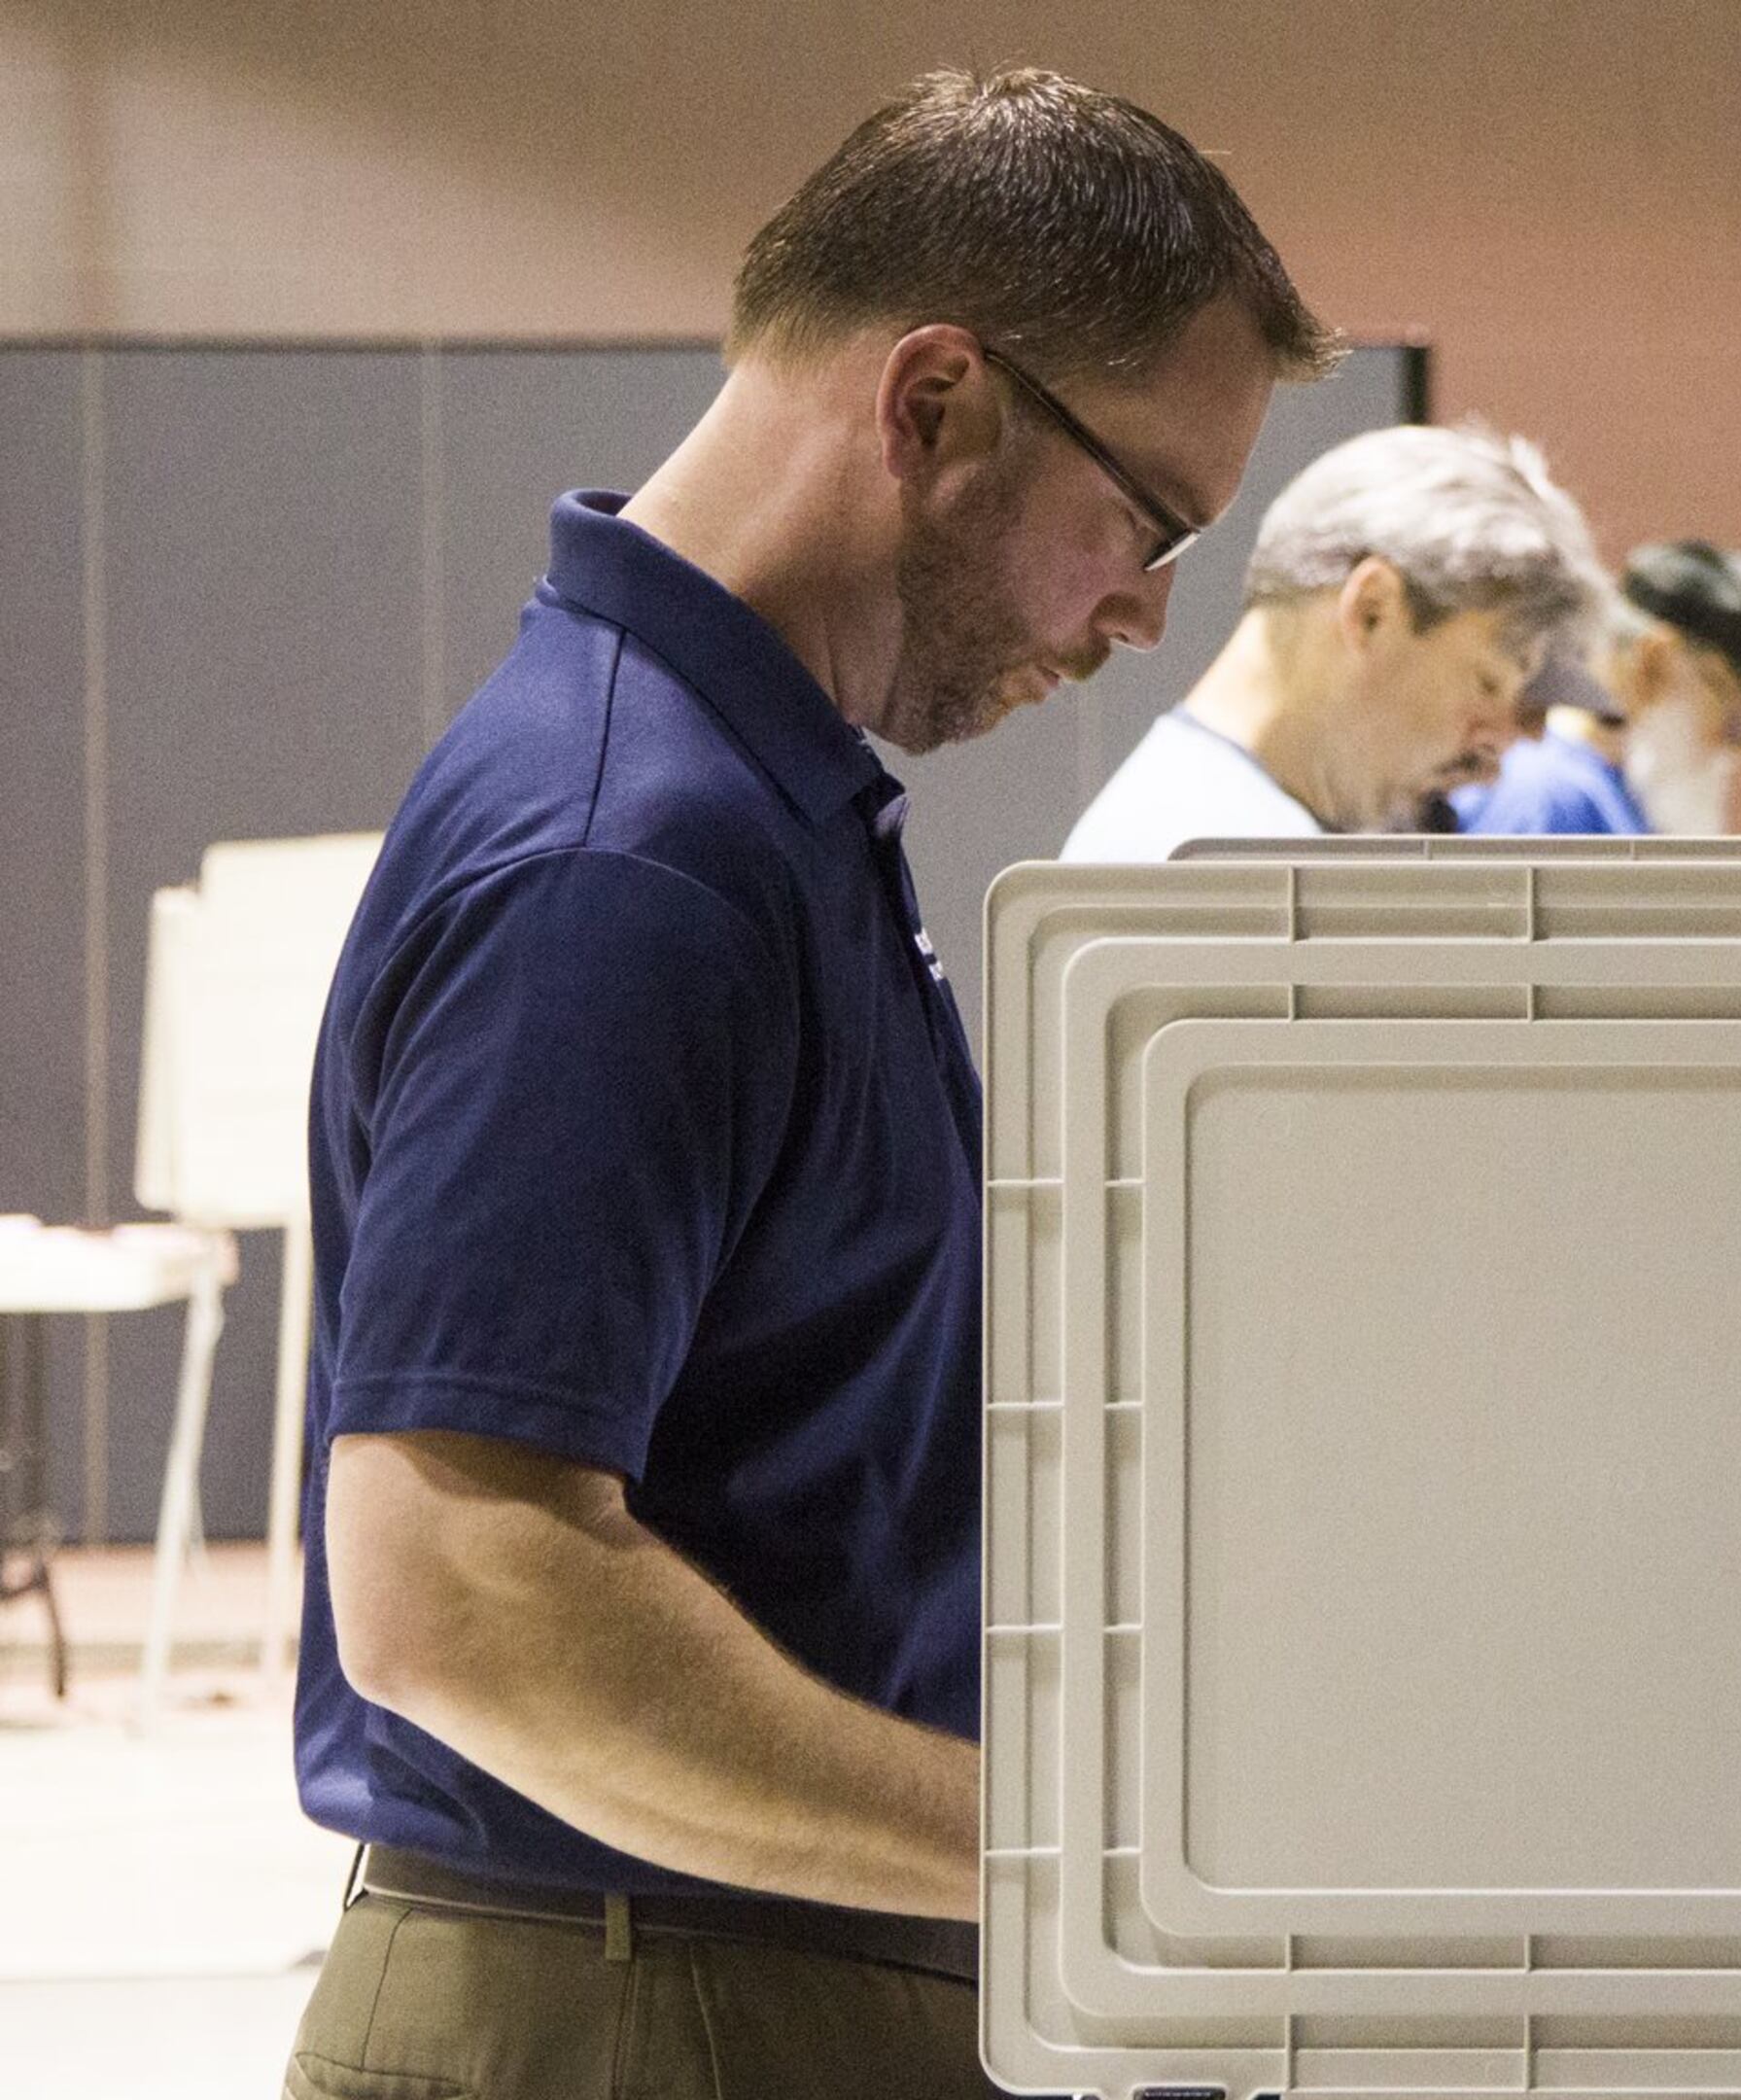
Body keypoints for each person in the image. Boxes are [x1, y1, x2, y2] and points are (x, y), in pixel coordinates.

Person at [285, 68, 1332, 2097]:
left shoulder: (753, 812)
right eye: (1147, 525)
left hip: (724, 1973)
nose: (1138, 615)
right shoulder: (629, 859)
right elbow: (462, 1599)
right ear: (934, 402)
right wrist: (1081, 1856)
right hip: (635, 1999)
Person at [1059, 423, 1606, 856]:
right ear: (1372, 612)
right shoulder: (1207, 867)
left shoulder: (1225, 837)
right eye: (1488, 682)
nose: (1499, 747)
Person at [1455, 537, 1741, 837]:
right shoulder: (1553, 800)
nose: (1734, 749)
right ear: (1655, 662)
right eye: (1737, 721)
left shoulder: (1607, 796)